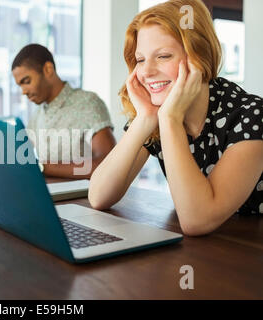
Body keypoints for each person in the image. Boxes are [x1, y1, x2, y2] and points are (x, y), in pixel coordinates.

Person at [89, 0, 263, 236]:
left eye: (163, 56)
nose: (147, 71)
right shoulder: (156, 113)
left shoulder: (251, 115)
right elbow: (99, 196)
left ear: (199, 57)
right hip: (216, 250)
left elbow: (197, 221)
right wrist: (145, 119)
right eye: (140, 60)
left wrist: (169, 118)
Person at [12, 44, 116, 179]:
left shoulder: (88, 103)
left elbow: (109, 165)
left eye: (26, 81)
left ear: (48, 69)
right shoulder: (38, 115)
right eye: (20, 85)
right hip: (49, 194)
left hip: (86, 198)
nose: (23, 91)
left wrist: (43, 167)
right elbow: (23, 157)